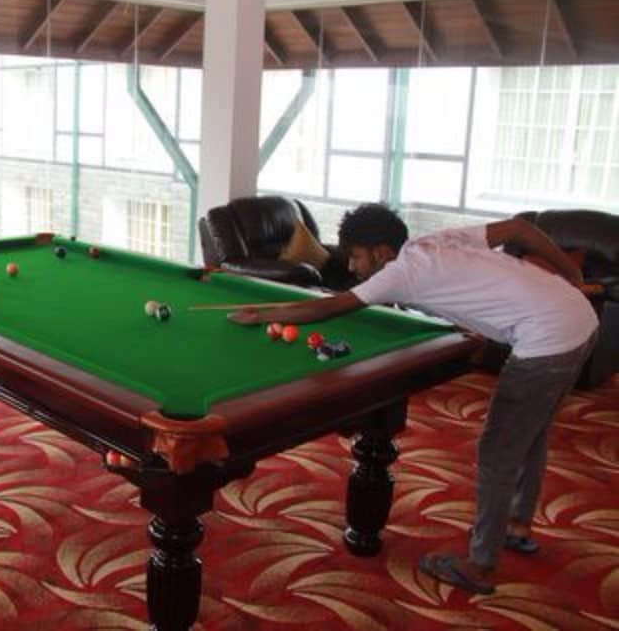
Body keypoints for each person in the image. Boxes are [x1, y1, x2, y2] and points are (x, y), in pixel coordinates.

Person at [229, 203, 599, 595]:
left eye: (356, 256)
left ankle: (481, 566)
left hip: (547, 339)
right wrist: (573, 274)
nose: (351, 266)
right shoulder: (435, 241)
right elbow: (519, 229)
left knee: (498, 452)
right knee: (531, 434)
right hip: (580, 320)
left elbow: (330, 306)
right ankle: (517, 525)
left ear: (381, 253)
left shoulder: (399, 273)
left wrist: (263, 315)